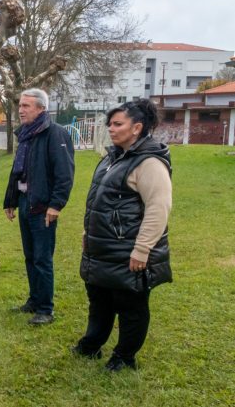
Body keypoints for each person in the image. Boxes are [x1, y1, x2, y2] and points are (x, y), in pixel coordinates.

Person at [73, 99, 172, 371]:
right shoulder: (112, 158)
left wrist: (142, 250)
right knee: (100, 300)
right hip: (102, 248)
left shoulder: (149, 163)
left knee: (131, 306)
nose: (111, 129)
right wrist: (88, 231)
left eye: (118, 124)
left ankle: (124, 357)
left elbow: (158, 208)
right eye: (110, 124)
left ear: (137, 127)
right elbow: (99, 202)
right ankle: (91, 344)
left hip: (129, 250)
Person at [3, 88, 74, 325]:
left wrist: (56, 206)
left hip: (43, 206)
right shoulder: (26, 135)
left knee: (43, 258)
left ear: (41, 108)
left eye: (26, 106)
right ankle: (34, 300)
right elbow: (18, 171)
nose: (21, 110)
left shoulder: (55, 134)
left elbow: (65, 174)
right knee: (30, 256)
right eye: (20, 106)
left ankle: (45, 309)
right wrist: (11, 200)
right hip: (25, 201)